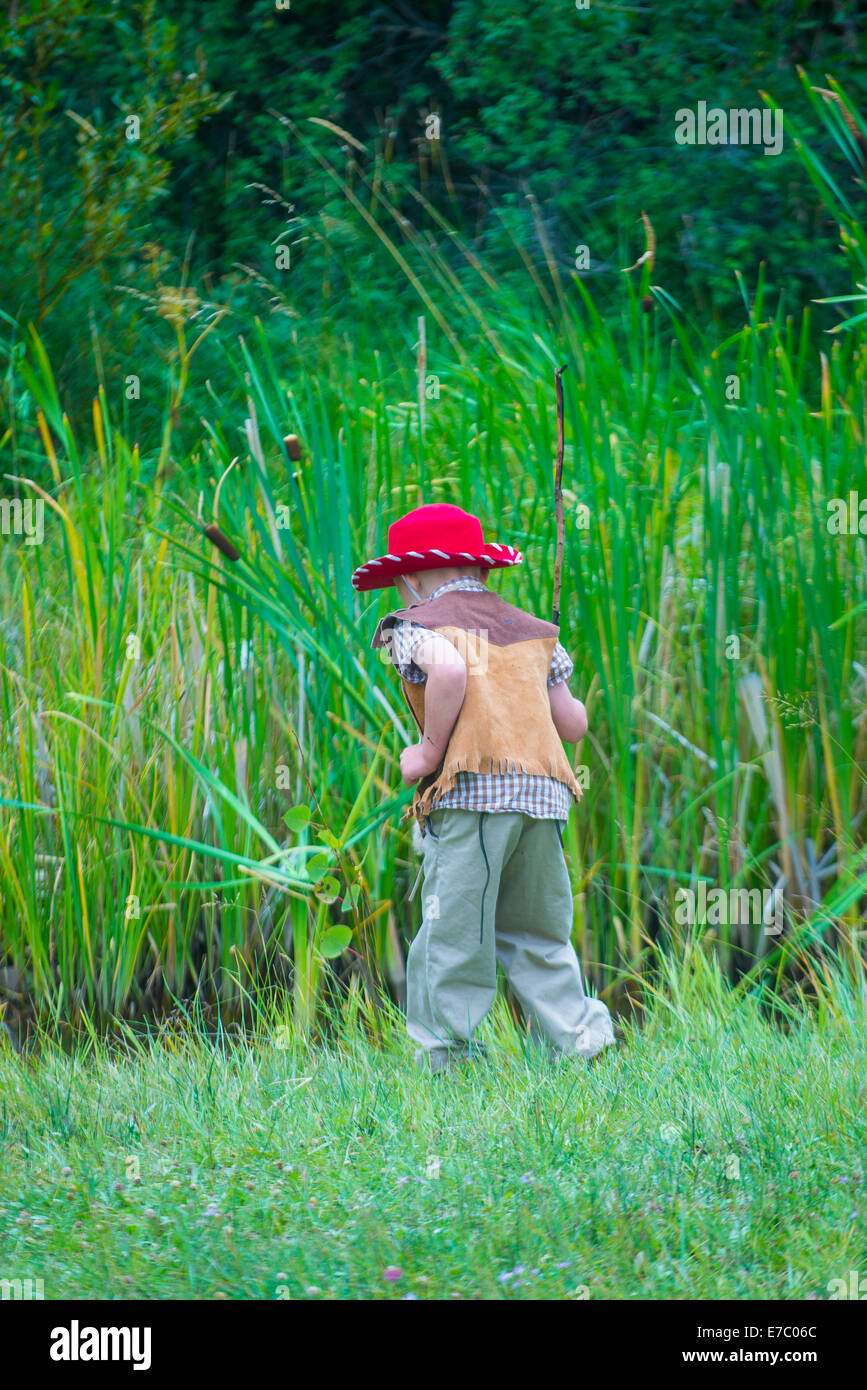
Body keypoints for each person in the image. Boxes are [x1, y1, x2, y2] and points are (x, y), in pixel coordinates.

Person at [352, 502, 616, 1073]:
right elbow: (573, 724)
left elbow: (445, 671)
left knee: (454, 932)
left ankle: (450, 1060)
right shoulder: (532, 629)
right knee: (539, 931)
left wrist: (427, 752)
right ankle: (582, 1045)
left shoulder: (414, 624)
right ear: (484, 571)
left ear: (410, 579)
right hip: (543, 801)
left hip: (473, 798)